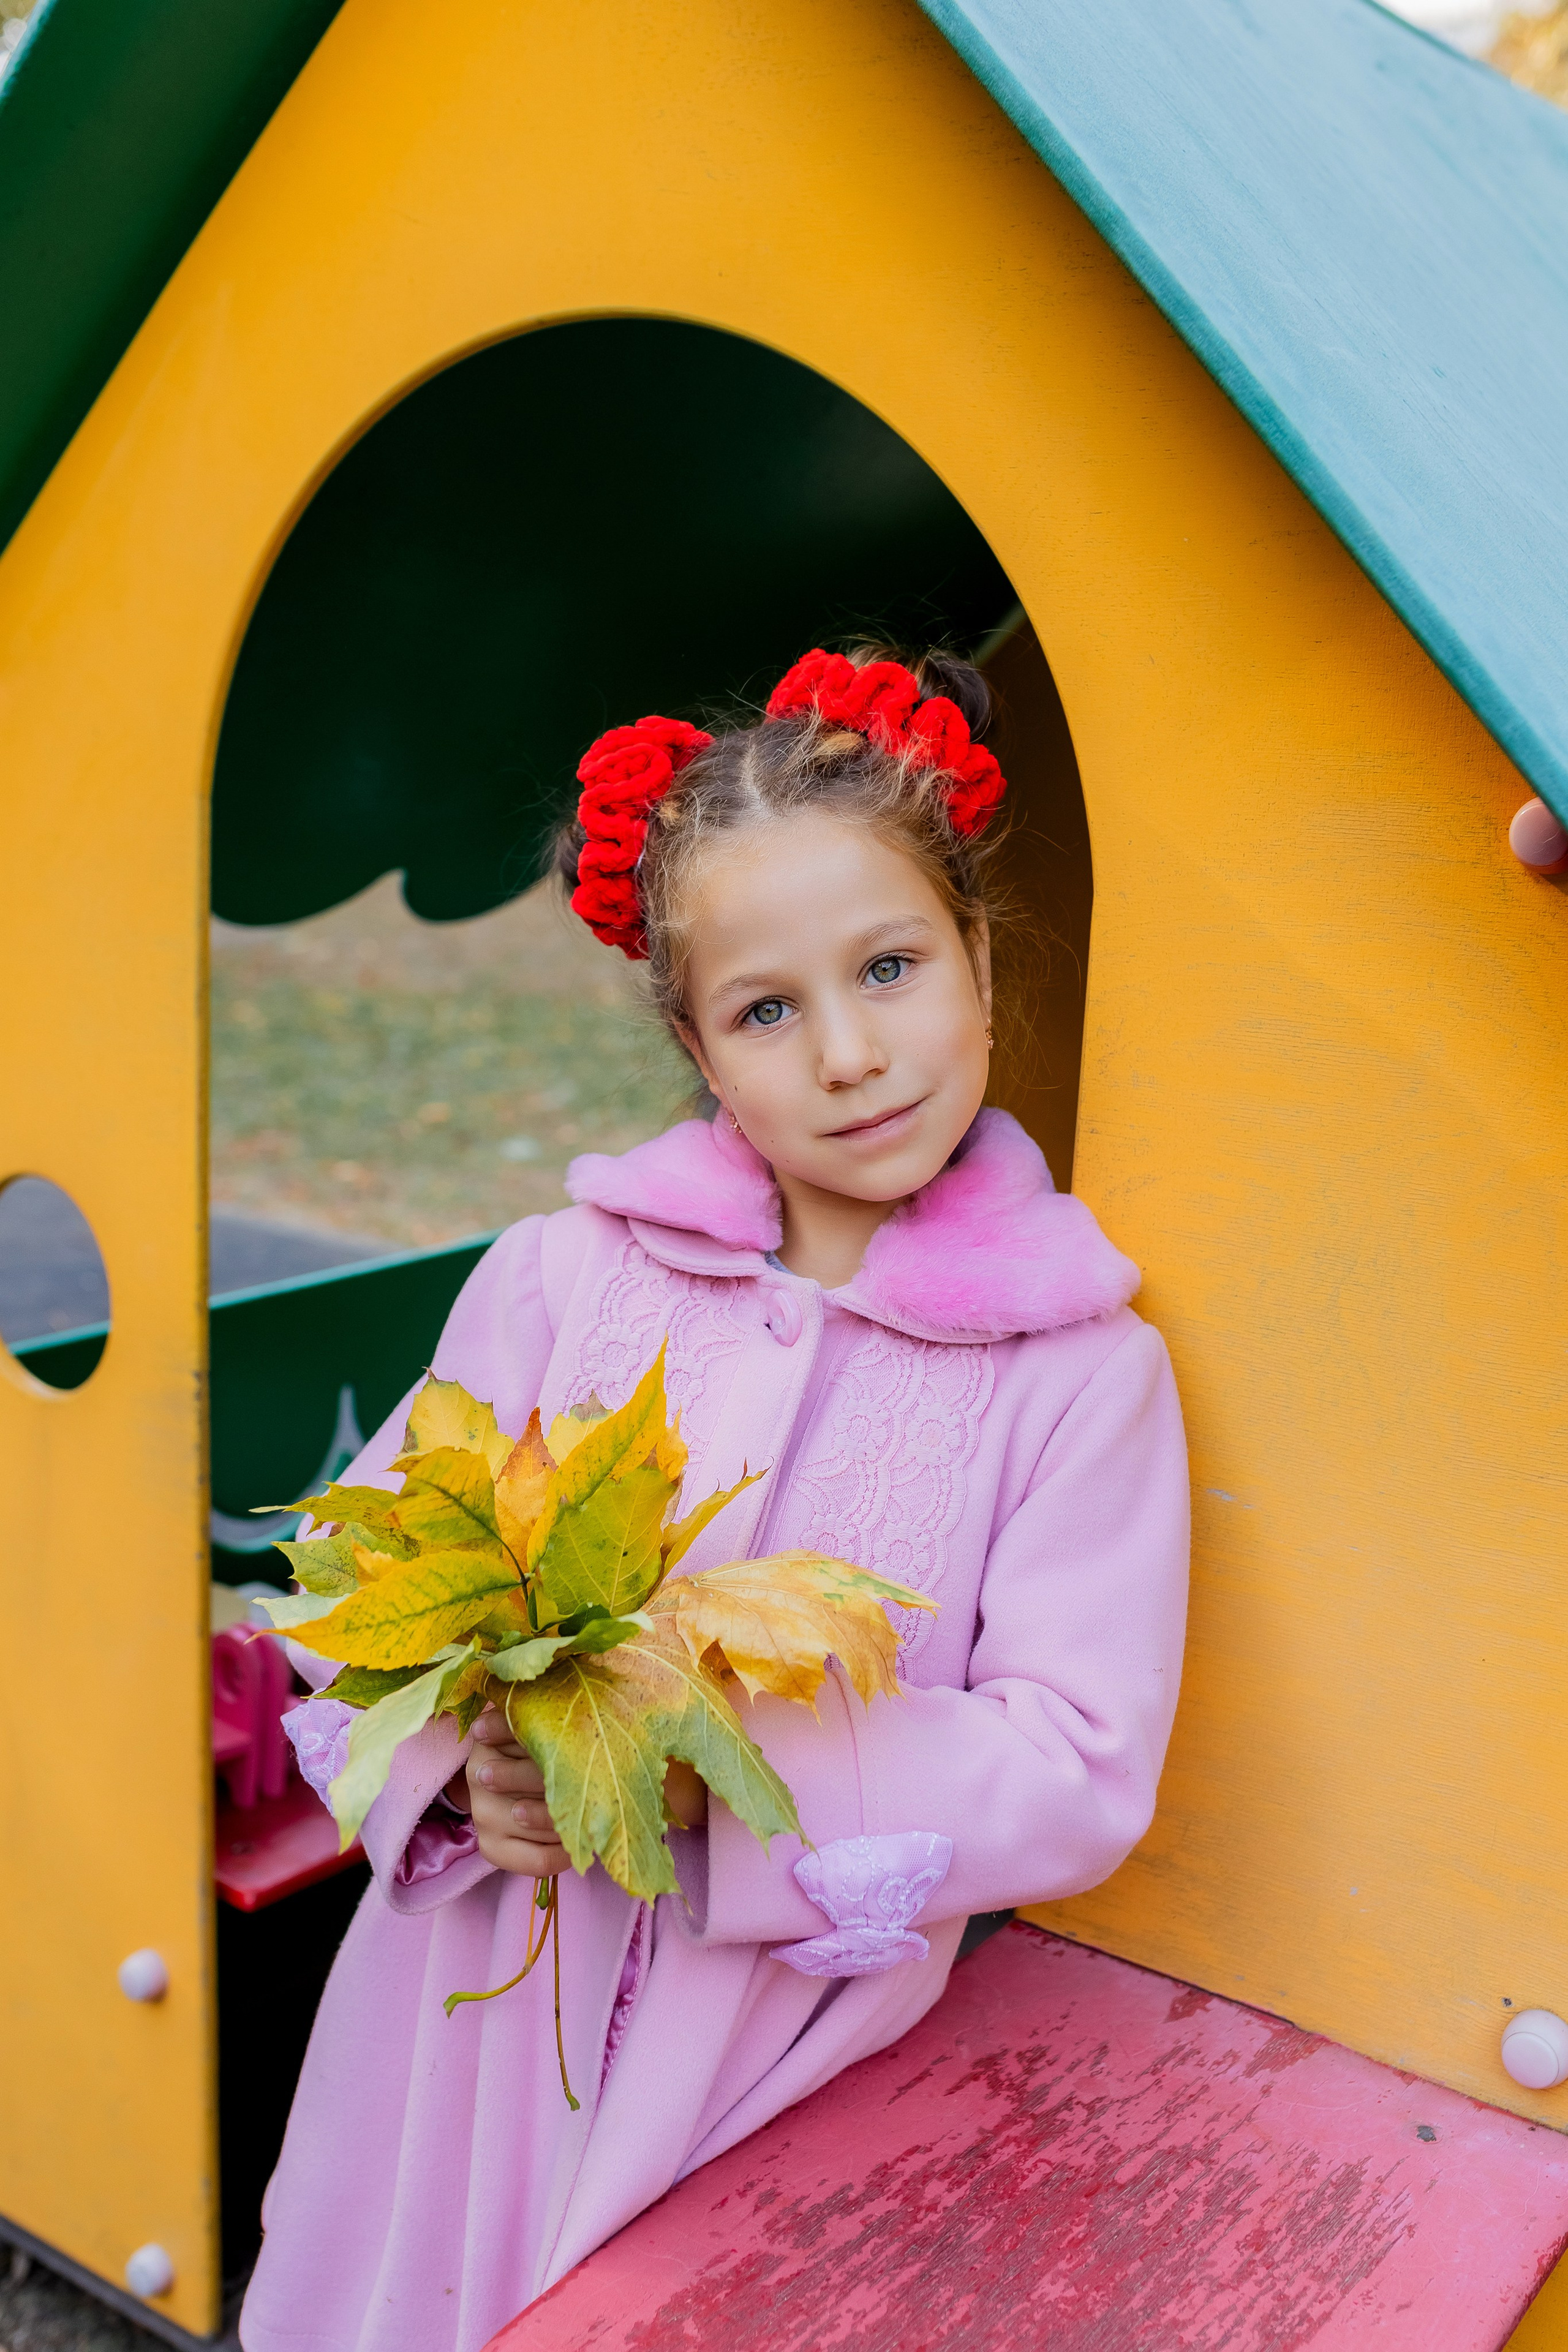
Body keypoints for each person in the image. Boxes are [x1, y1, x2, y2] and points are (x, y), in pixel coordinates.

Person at [239, 644, 1190, 2352]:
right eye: (769, 1009)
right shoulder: (562, 1282)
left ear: (978, 960)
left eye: (890, 968)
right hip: (464, 2024)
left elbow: (1078, 1759)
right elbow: (357, 1598)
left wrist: (727, 1784)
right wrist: (472, 1770)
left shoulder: (1076, 1372)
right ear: (696, 1040)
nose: (849, 1054)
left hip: (759, 2061)